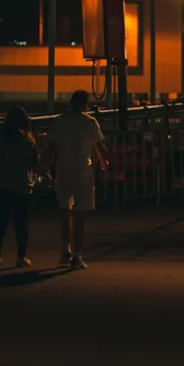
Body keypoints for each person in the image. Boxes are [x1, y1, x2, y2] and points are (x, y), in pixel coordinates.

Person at [41, 90, 108, 270]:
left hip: (63, 169)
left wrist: (44, 170)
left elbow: (51, 149)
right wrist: (104, 164)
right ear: (85, 104)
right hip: (83, 170)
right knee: (80, 215)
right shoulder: (89, 123)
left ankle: (65, 250)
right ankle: (77, 256)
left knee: (64, 211)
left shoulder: (59, 121)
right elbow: (101, 147)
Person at [0, 105, 40, 274]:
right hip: (21, 186)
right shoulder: (27, 142)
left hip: (0, 184)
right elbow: (34, 164)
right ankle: (20, 257)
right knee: (21, 223)